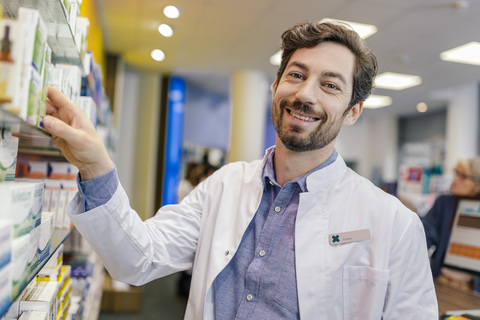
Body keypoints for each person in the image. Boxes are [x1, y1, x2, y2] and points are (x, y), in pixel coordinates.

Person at [42, 21, 438, 319]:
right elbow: (136, 259)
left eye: (330, 85)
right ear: (276, 87)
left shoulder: (394, 225)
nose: (305, 94)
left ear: (353, 111)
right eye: (296, 75)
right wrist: (96, 165)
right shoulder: (226, 186)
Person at [422, 157, 480, 293]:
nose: (455, 179)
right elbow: (424, 237)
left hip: (473, 286)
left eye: (463, 176)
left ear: (477, 183)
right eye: (456, 173)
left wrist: (471, 278)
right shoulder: (443, 203)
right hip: (441, 279)